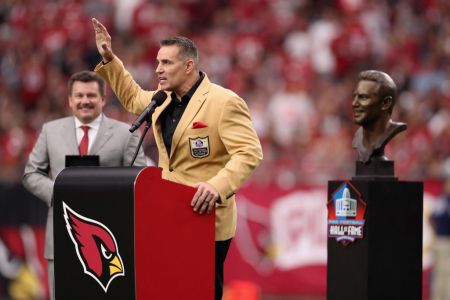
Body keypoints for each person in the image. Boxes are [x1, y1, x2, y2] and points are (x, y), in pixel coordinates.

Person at [91, 18, 263, 300]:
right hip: (169, 214)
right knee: (172, 290)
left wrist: (217, 186)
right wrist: (110, 60)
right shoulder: (163, 100)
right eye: (158, 62)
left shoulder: (224, 102)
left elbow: (249, 152)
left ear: (188, 66)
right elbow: (134, 98)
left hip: (206, 217)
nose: (158, 69)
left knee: (202, 292)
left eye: (166, 63)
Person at [22, 70, 147, 300]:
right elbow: (31, 173)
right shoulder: (50, 131)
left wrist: (111, 197)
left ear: (103, 99)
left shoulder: (126, 133)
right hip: (62, 234)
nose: (85, 101)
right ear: (70, 100)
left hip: (111, 239)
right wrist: (59, 194)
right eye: (79, 96)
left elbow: (139, 179)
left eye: (91, 95)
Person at [351, 70, 407, 163]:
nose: (354, 104)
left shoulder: (391, 133)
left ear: (385, 103)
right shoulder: (358, 137)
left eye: (364, 97)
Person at [430, 177, 450, 300]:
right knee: (444, 271)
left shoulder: (440, 200)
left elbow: (431, 218)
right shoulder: (444, 201)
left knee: (440, 271)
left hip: (440, 239)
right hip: (444, 241)